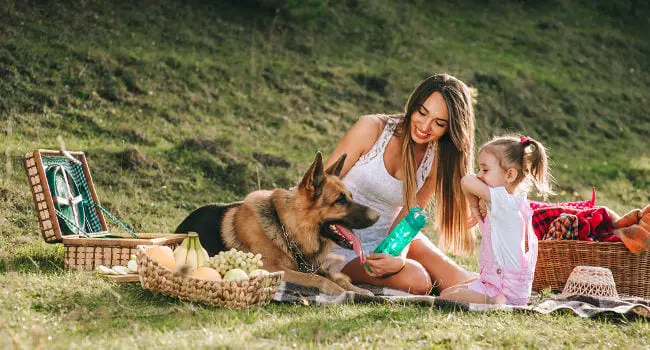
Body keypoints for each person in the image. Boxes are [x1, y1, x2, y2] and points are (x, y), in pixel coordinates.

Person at [323, 73, 477, 295]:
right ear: (413, 105)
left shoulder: (437, 156)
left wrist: (398, 255)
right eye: (422, 113)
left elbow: (409, 217)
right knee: (418, 281)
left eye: (439, 123)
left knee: (462, 281)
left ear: (450, 128)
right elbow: (320, 185)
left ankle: (512, 290)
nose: (425, 126)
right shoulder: (371, 129)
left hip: (392, 237)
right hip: (340, 241)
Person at [439, 135, 552, 305]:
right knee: (450, 290)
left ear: (510, 175)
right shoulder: (511, 202)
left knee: (445, 297)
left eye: (485, 170)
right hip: (511, 287)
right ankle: (489, 296)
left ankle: (491, 301)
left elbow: (466, 181)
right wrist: (480, 202)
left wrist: (473, 204)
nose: (479, 175)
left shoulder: (504, 202)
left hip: (503, 290)